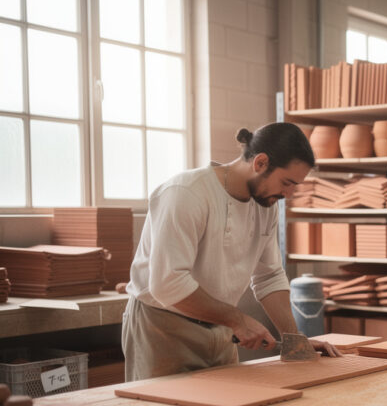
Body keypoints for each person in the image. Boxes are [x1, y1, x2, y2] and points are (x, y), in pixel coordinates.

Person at [122, 122, 340, 382]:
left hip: (222, 328)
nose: (289, 194)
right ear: (260, 163)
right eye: (286, 182)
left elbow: (269, 277)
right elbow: (168, 284)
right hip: (163, 330)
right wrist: (238, 320)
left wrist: (295, 340)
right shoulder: (186, 193)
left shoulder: (266, 206)